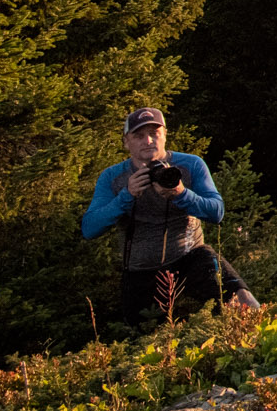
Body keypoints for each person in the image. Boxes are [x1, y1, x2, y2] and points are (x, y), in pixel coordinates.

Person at [81, 107, 258, 322]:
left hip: (190, 257)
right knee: (145, 336)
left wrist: (181, 194)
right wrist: (126, 196)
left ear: (165, 135)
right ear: (126, 142)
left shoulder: (189, 165)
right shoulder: (113, 177)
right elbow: (89, 228)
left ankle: (265, 336)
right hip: (140, 269)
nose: (148, 141)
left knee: (242, 299)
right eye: (139, 136)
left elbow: (216, 212)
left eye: (154, 133)